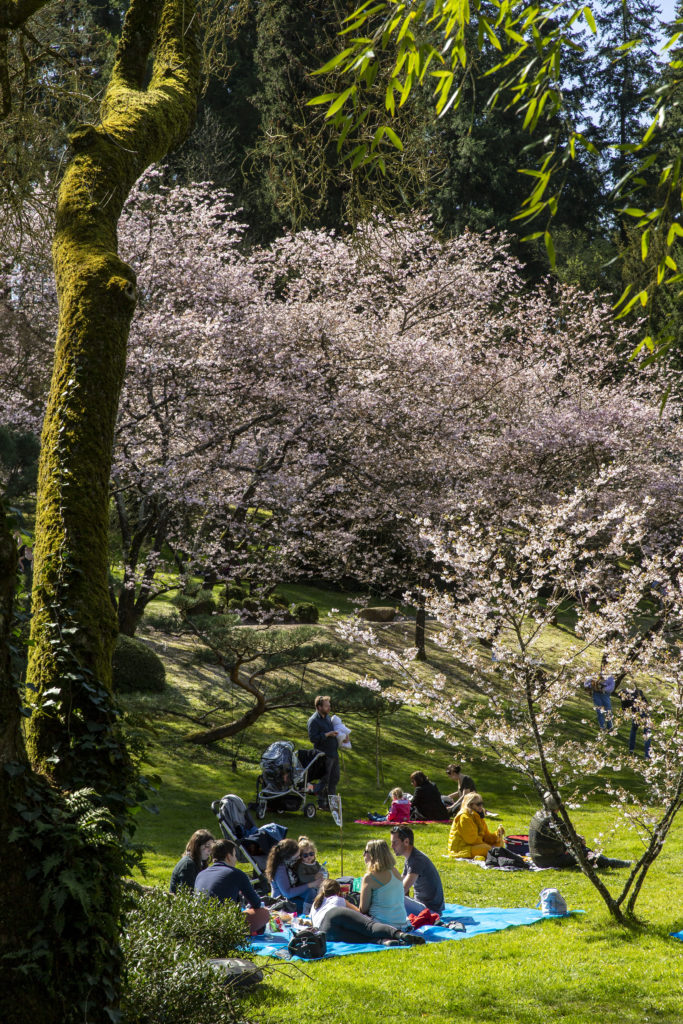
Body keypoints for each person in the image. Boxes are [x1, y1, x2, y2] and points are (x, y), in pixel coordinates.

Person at [528, 794, 631, 870]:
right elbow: (572, 839)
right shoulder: (553, 821)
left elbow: (565, 835)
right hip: (549, 860)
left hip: (537, 858)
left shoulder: (539, 814)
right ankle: (611, 863)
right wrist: (581, 840)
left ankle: (605, 861)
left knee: (581, 849)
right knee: (583, 852)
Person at [311, 879, 425, 946]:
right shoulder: (338, 899)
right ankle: (399, 934)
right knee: (369, 927)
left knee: (358, 937)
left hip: (326, 932)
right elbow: (360, 914)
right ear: (338, 892)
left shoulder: (315, 905)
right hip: (335, 913)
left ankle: (383, 941)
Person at [194, 839, 271, 934]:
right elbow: (256, 903)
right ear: (228, 856)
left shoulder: (201, 874)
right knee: (264, 914)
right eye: (235, 855)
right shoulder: (236, 874)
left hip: (200, 924)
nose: (236, 859)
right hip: (223, 925)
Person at [390, 825, 445, 916]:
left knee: (390, 899)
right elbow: (400, 883)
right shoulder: (410, 858)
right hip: (424, 906)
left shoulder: (417, 860)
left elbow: (401, 889)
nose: (392, 846)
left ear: (406, 842)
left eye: (395, 843)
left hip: (430, 910)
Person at [359, 839, 408, 929]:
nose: (363, 855)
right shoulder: (395, 871)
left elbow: (363, 909)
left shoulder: (370, 877)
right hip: (402, 923)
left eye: (365, 851)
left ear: (373, 854)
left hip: (380, 924)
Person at [265, 838, 323, 913]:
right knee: (317, 905)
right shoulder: (280, 869)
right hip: (282, 902)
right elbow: (287, 893)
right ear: (287, 857)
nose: (299, 858)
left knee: (314, 895)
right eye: (297, 857)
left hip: (294, 896)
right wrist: (310, 884)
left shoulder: (290, 863)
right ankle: (308, 914)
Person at [447, 792, 505, 858]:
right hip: (461, 849)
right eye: (478, 804)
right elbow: (471, 840)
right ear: (470, 805)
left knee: (499, 843)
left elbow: (486, 835)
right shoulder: (464, 817)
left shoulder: (478, 816)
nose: (481, 807)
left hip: (473, 845)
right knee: (487, 849)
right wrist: (486, 845)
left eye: (482, 804)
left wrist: (497, 835)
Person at [307, 694, 340, 809]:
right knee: (325, 779)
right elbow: (313, 738)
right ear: (319, 707)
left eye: (329, 706)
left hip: (333, 753)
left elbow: (334, 731)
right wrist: (327, 734)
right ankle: (318, 798)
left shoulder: (327, 718)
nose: (329, 708)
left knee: (334, 778)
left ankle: (332, 804)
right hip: (323, 754)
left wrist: (343, 737)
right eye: (326, 706)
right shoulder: (314, 721)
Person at [169, 829, 215, 893]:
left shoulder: (200, 862)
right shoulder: (188, 865)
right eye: (207, 846)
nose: (210, 850)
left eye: (212, 847)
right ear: (197, 846)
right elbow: (188, 893)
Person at [584, 656, 616, 732]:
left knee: (608, 710)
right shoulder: (597, 675)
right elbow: (586, 683)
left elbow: (611, 687)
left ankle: (610, 727)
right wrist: (592, 686)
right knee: (599, 710)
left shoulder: (610, 677)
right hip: (596, 694)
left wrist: (603, 688)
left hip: (605, 694)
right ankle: (602, 727)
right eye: (603, 667)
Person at [620, 683, 652, 759]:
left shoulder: (625, 698)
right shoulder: (638, 692)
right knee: (647, 733)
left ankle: (631, 749)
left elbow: (625, 710)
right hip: (644, 713)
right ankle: (647, 754)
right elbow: (646, 703)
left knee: (634, 730)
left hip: (636, 715)